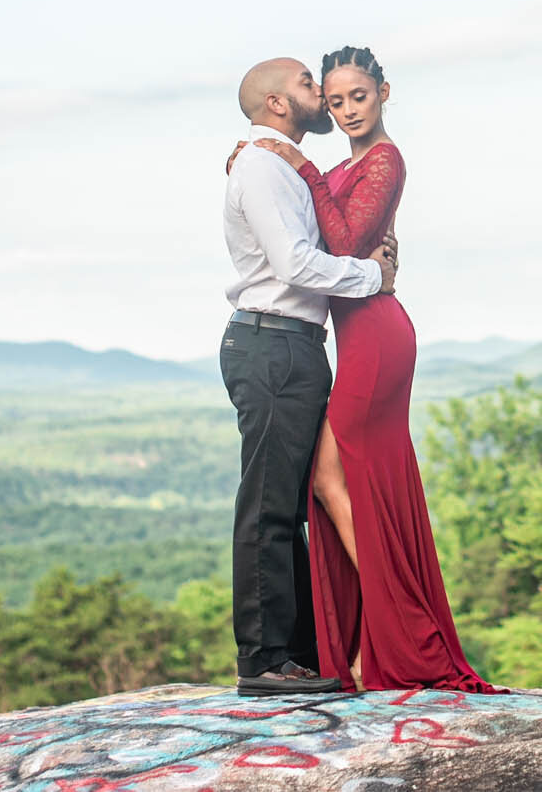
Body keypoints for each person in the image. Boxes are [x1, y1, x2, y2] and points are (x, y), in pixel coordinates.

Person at [246, 46, 501, 694]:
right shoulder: (341, 167)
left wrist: (298, 164)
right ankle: (369, 646)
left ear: (384, 91)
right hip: (356, 333)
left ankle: (405, 629)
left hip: (377, 336)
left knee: (333, 475)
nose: (348, 109)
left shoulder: (384, 161)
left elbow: (345, 244)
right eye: (335, 101)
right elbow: (305, 223)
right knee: (346, 483)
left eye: (358, 95)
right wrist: (256, 168)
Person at [221, 56, 398, 696]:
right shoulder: (264, 168)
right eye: (305, 84)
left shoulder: (283, 165)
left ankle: (297, 653)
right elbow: (296, 264)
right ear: (275, 103)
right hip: (272, 343)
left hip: (293, 344)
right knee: (268, 505)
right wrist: (372, 277)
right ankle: (264, 663)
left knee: (291, 504)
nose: (319, 93)